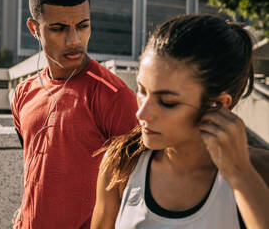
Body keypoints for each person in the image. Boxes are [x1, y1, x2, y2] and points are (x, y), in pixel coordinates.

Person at [91, 14, 269, 229]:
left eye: (167, 102)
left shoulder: (259, 170)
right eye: (142, 90)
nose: (142, 113)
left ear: (218, 104)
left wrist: (240, 174)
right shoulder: (122, 163)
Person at [11, 0, 138, 228]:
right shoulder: (22, 93)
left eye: (83, 26)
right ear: (34, 28)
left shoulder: (114, 95)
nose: (74, 40)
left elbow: (134, 191)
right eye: (58, 29)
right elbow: (34, 170)